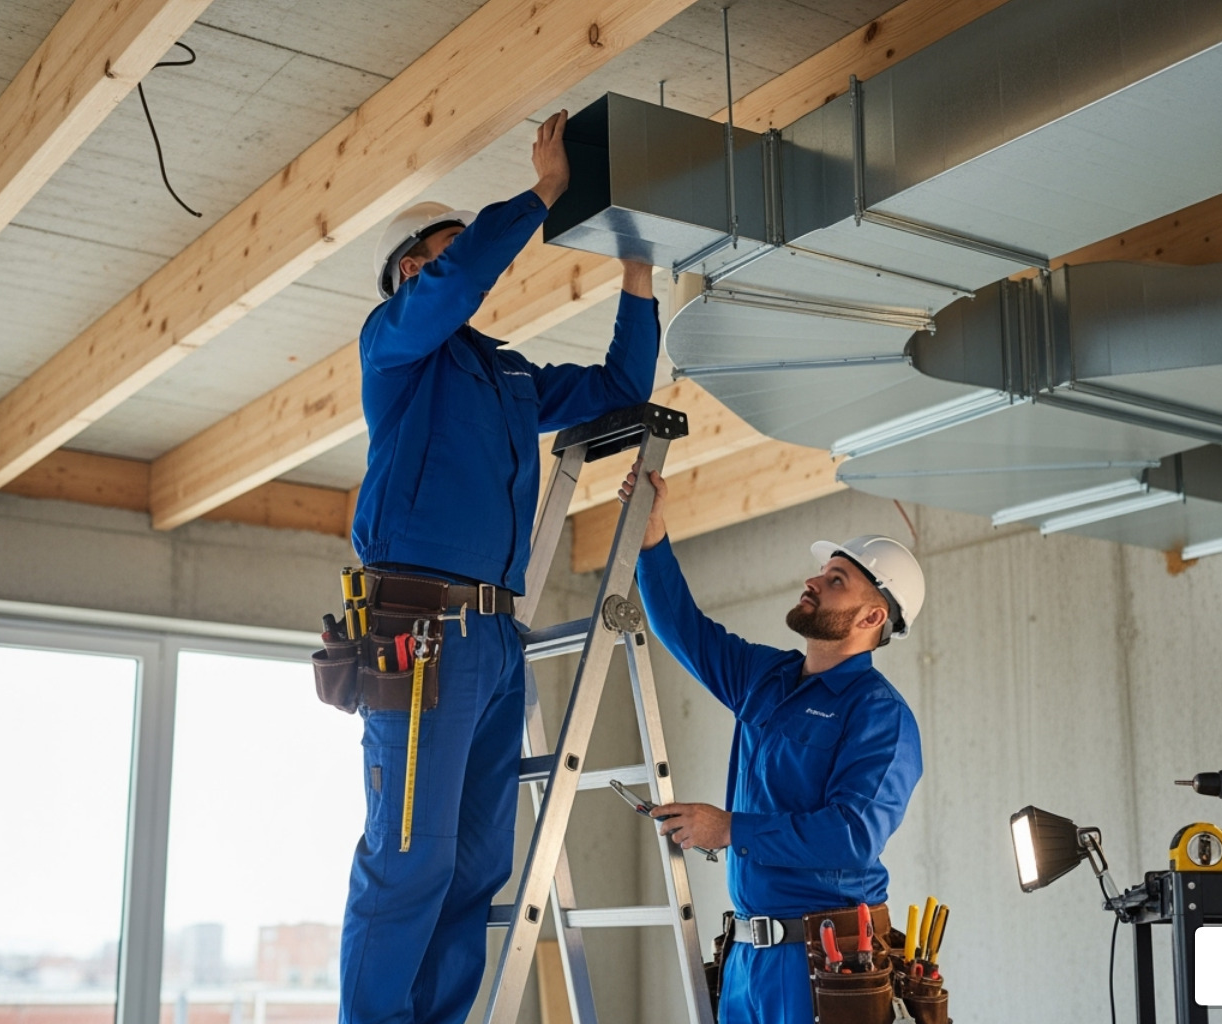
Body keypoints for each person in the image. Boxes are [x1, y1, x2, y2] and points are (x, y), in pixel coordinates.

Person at [339, 110, 660, 1024]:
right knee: (411, 856)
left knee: (476, 866)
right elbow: (459, 281)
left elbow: (617, 390)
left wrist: (639, 275)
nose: (472, 263)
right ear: (412, 270)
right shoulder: (394, 347)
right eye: (450, 250)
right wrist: (541, 194)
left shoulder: (507, 377)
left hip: (492, 638)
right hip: (417, 629)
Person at [620, 465, 926, 1023]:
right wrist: (652, 541)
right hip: (746, 958)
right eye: (821, 573)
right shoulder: (768, 677)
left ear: (872, 615)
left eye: (837, 580)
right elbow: (684, 630)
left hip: (826, 966)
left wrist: (730, 828)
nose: (813, 582)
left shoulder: (879, 715)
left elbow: (853, 835)